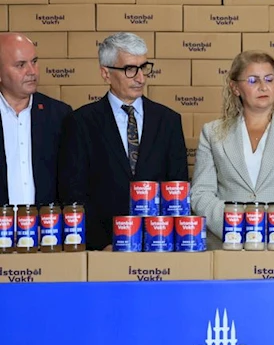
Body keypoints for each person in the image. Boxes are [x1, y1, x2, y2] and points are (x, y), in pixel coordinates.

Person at [58, 32, 188, 250]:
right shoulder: (80, 122)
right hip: (102, 247)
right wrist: (102, 243)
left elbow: (177, 188)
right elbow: (73, 192)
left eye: (144, 67)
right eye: (130, 69)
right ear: (106, 73)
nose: (141, 78)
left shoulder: (168, 121)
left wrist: (164, 240)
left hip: (158, 244)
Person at [191, 51, 274, 246]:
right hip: (229, 244)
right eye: (253, 80)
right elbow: (201, 194)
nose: (263, 86)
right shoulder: (212, 133)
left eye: (269, 79)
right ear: (235, 87)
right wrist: (236, 225)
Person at [0, 32, 71, 205]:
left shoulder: (60, 115)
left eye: (34, 61)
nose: (32, 71)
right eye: (21, 65)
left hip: (47, 221)